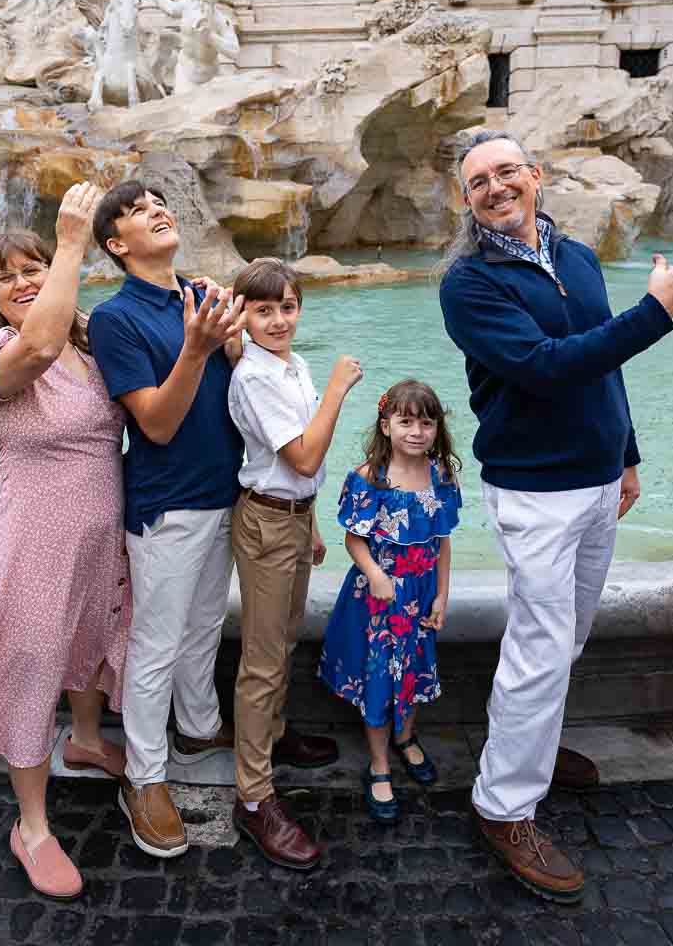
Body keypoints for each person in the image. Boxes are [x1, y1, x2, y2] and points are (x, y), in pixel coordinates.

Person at [438, 128, 673, 903]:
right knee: (543, 646)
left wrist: (628, 450)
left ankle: (534, 752)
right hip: (534, 491)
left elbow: (600, 362)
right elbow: (546, 370)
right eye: (479, 180)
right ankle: (503, 805)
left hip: (595, 481)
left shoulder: (577, 256)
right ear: (466, 199)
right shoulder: (468, 284)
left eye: (507, 170)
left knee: (572, 632)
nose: (495, 186)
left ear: (536, 176)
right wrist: (660, 310)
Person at [0, 183, 129, 901]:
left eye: (34, 268)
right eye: (8, 275)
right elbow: (39, 344)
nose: (26, 281)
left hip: (99, 529)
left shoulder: (87, 341)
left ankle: (84, 739)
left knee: (91, 634)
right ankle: (30, 826)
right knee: (31, 666)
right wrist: (67, 244)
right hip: (32, 537)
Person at [88, 180, 246, 860]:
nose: (157, 207)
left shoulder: (202, 295)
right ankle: (146, 779)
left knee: (206, 622)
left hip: (223, 491)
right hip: (167, 502)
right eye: (137, 209)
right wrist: (198, 346)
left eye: (160, 200)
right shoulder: (115, 319)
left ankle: (200, 724)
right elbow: (152, 422)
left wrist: (233, 343)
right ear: (117, 245)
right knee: (155, 643)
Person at [227, 258, 362, 869]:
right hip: (264, 523)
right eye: (263, 310)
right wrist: (337, 390)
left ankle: (275, 736)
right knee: (261, 659)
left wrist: (309, 522)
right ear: (244, 315)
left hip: (291, 517)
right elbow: (304, 456)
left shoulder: (291, 362)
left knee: (282, 641)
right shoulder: (256, 377)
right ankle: (253, 797)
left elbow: (301, 474)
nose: (278, 320)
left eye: (287, 306)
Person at [319, 381, 461, 824]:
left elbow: (443, 542)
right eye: (405, 421)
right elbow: (353, 538)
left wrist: (441, 594)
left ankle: (406, 736)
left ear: (437, 428)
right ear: (386, 426)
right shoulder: (368, 478)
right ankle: (379, 762)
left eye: (426, 421)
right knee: (379, 676)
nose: (416, 431)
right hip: (378, 598)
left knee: (415, 668)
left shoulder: (441, 477)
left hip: (418, 596)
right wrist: (376, 574)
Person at [139, 0, 239, 94]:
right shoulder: (188, 5)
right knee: (183, 107)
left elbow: (234, 51)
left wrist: (211, 37)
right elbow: (171, 9)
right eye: (197, 0)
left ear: (213, 4)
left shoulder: (221, 21)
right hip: (185, 71)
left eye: (205, 1)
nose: (200, 5)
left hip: (209, 76)